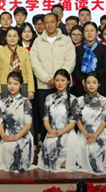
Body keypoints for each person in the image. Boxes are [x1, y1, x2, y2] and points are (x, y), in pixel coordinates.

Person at [30, 13, 76, 141]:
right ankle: (47, 144)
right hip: (44, 86)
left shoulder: (66, 40)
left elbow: (70, 60)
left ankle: (65, 143)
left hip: (64, 86)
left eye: (52, 22)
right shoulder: (37, 41)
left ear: (58, 23)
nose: (49, 25)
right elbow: (34, 62)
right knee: (45, 116)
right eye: (47, 22)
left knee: (65, 115)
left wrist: (60, 79)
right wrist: (47, 79)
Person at [69, 72, 106, 174]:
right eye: (88, 82)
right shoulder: (79, 100)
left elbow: (104, 121)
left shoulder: (104, 100)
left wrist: (95, 135)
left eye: (94, 82)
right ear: (84, 84)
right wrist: (86, 134)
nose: (91, 85)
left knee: (95, 147)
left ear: (99, 84)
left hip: (99, 131)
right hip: (84, 131)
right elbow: (77, 119)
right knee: (84, 147)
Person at [38, 69, 77, 172]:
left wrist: (59, 133)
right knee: (48, 150)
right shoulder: (49, 98)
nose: (60, 83)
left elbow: (72, 123)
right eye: (57, 80)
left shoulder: (73, 99)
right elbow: (45, 119)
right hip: (52, 131)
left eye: (63, 80)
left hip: (67, 132)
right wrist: (51, 131)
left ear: (68, 81)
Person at [0, 28, 34, 101]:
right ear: (6, 37)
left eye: (15, 36)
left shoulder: (25, 51)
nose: (12, 38)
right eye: (9, 36)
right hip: (5, 85)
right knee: (5, 107)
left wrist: (31, 90)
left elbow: (29, 72)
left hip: (23, 85)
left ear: (18, 38)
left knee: (22, 107)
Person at [72, 22, 106, 98]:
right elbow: (75, 68)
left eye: (92, 30)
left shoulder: (104, 49)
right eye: (86, 31)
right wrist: (83, 80)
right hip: (82, 85)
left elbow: (105, 67)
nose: (89, 33)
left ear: (97, 33)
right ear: (83, 33)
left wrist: (93, 80)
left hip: (99, 84)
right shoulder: (77, 49)